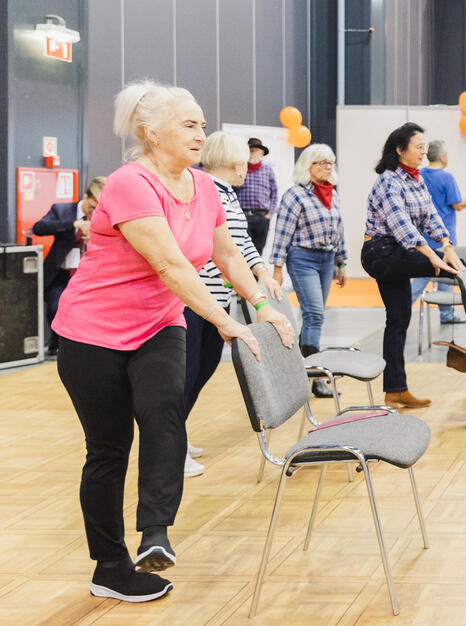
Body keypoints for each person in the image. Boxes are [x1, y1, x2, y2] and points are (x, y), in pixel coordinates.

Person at [51, 80, 293, 603]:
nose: (201, 133)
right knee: (108, 449)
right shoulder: (129, 183)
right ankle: (110, 567)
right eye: (189, 124)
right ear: (152, 132)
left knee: (165, 418)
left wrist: (263, 306)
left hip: (160, 325)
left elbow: (227, 256)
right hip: (92, 334)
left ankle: (155, 535)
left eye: (202, 124)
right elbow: (169, 264)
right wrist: (225, 321)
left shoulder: (205, 188)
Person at [361, 122, 466, 407]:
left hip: (396, 252)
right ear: (399, 150)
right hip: (380, 252)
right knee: (451, 269)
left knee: (398, 320)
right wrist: (434, 256)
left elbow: (431, 215)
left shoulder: (415, 179)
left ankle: (395, 389)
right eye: (418, 147)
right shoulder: (389, 182)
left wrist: (447, 244)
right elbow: (402, 226)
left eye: (425, 147)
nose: (423, 152)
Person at [181, 131, 283, 478]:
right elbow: (223, 250)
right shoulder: (205, 191)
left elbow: (239, 244)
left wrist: (261, 271)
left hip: (217, 299)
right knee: (187, 373)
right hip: (197, 300)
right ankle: (170, 446)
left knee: (203, 369)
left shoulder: (225, 193)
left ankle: (176, 434)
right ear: (237, 163)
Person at [270, 143, 347, 398]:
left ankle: (300, 371)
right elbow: (282, 232)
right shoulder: (295, 195)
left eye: (330, 162)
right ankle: (315, 378)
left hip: (327, 259)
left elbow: (339, 229)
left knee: (314, 315)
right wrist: (277, 268)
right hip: (303, 258)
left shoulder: (332, 194)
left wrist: (342, 262)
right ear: (307, 165)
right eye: (321, 162)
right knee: (315, 314)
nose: (327, 167)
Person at [410, 139, 466, 325]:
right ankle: (445, 314)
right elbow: (458, 205)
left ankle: (441, 313)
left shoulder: (419, 175)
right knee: (442, 274)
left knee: (421, 274)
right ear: (443, 156)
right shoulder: (446, 178)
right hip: (443, 236)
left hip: (422, 236)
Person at [32, 176, 107, 355]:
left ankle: (74, 349)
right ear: (86, 197)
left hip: (87, 275)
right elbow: (39, 228)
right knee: (56, 307)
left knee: (85, 313)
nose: (94, 212)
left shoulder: (102, 216)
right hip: (61, 273)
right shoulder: (62, 210)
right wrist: (73, 224)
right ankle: (56, 345)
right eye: (92, 207)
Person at [235, 137, 278, 254]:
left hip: (262, 217)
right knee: (241, 251)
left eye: (254, 151)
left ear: (261, 153)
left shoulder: (268, 170)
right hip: (243, 216)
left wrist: (270, 214)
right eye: (249, 151)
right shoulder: (239, 169)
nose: (251, 154)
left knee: (258, 250)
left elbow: (274, 193)